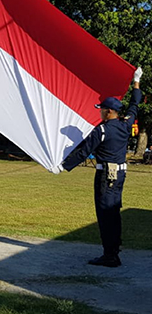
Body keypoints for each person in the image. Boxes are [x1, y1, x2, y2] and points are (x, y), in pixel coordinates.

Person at [53, 67, 143, 267]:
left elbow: (84, 151)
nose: (100, 111)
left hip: (106, 177)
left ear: (108, 111)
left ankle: (110, 255)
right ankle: (114, 248)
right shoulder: (125, 124)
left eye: (102, 109)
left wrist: (62, 166)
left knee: (105, 214)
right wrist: (137, 81)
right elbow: (135, 104)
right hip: (120, 176)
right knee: (114, 212)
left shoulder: (101, 130)